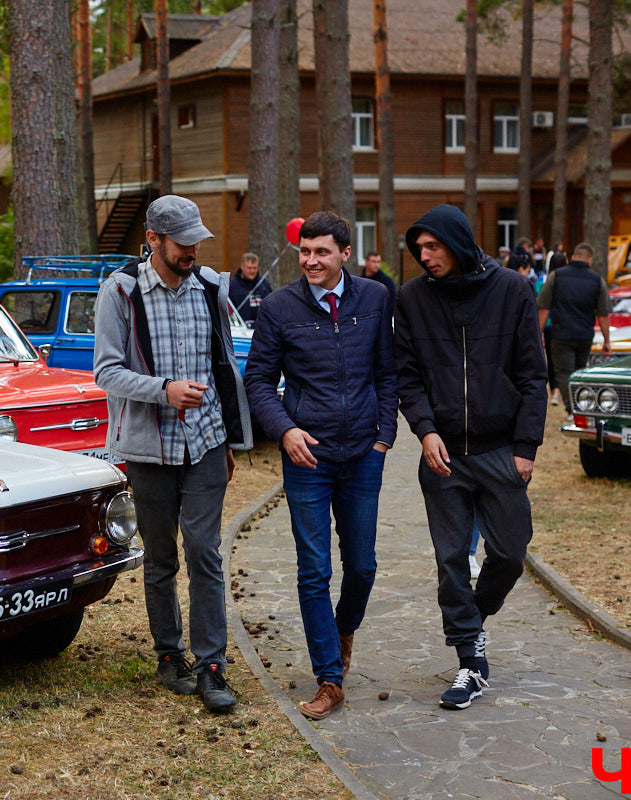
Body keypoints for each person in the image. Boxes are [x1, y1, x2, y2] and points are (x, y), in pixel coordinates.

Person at [93, 195, 253, 714]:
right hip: (149, 448)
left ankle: (212, 666)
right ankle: (169, 654)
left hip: (205, 443)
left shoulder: (210, 287)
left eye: (196, 241)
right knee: (161, 558)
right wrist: (164, 390)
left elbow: (224, 365)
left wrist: (231, 440)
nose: (192, 250)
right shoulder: (121, 291)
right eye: (182, 243)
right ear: (153, 239)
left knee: (205, 552)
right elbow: (106, 372)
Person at [243, 211, 398, 721]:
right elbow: (258, 380)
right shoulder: (279, 307)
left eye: (321, 252)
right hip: (307, 457)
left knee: (362, 566)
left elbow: (387, 371)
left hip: (363, 455)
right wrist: (285, 430)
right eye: (305, 252)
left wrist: (384, 436)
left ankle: (343, 629)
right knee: (314, 569)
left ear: (345, 254)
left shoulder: (375, 297)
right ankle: (330, 677)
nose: (310, 261)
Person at [394, 205, 547, 711]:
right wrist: (425, 431)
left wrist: (525, 448)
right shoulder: (412, 298)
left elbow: (533, 374)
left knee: (510, 553)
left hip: (501, 450)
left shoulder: (512, 289)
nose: (424, 256)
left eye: (432, 246)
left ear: (457, 243)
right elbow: (407, 375)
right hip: (443, 455)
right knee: (451, 558)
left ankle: (473, 618)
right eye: (418, 248)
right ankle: (469, 662)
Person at [537, 242, 612, 412]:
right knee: (580, 372)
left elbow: (544, 309)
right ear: (590, 259)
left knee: (564, 373)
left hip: (561, 334)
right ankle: (581, 407)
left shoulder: (556, 276)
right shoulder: (597, 281)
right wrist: (607, 341)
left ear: (571, 257)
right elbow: (603, 315)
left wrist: (538, 333)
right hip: (585, 335)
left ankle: (572, 410)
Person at [228, 251, 272, 324]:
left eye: (255, 268)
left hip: (262, 326)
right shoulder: (232, 285)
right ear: (242, 267)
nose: (252, 271)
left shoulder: (263, 284)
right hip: (240, 327)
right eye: (249, 268)